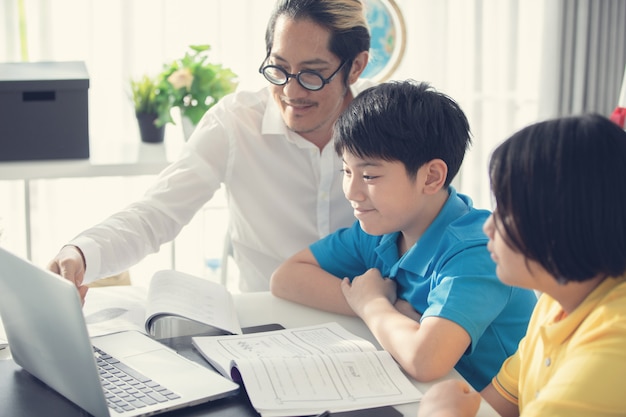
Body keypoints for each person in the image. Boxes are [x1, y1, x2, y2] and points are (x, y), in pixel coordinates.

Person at [47, 0, 372, 296]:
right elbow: (155, 214)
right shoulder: (235, 123)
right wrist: (81, 253)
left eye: (312, 74)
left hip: (372, 324)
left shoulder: (388, 122)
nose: (290, 90)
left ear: (355, 67)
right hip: (267, 328)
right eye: (279, 68)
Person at [270, 80, 537, 391]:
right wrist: (378, 306)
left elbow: (426, 360)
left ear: (431, 177)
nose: (352, 192)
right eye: (346, 171)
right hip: (427, 395)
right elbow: (286, 278)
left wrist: (373, 306)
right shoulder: (380, 229)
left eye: (369, 175)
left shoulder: (478, 250)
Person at [417, 114, 626, 417]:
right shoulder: (554, 304)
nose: (489, 226)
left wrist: (440, 413)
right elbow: (495, 406)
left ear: (562, 221)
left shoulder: (613, 347)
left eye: (507, 210)